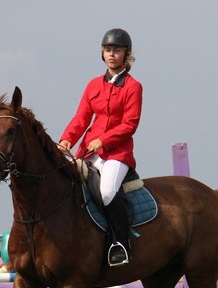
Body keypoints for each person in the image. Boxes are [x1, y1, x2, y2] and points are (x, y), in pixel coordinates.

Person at [58, 28, 142, 267]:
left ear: (126, 55)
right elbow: (81, 119)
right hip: (88, 151)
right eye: (108, 50)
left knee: (106, 192)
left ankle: (120, 243)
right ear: (102, 53)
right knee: (69, 186)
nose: (111, 54)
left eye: (116, 50)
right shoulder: (93, 85)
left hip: (117, 153)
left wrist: (104, 140)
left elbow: (130, 124)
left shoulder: (133, 87)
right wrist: (66, 140)